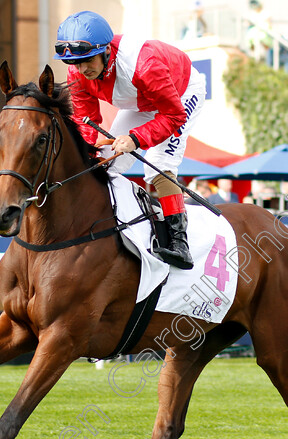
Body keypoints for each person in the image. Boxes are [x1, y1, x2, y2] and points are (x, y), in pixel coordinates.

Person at [54, 10, 206, 270]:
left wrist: (135, 139)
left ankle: (180, 243)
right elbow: (86, 121)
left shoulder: (144, 65)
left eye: (88, 60)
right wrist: (90, 150)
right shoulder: (77, 74)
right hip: (142, 99)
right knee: (105, 163)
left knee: (156, 162)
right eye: (75, 63)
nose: (81, 69)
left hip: (180, 94)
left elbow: (173, 115)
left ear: (105, 52)